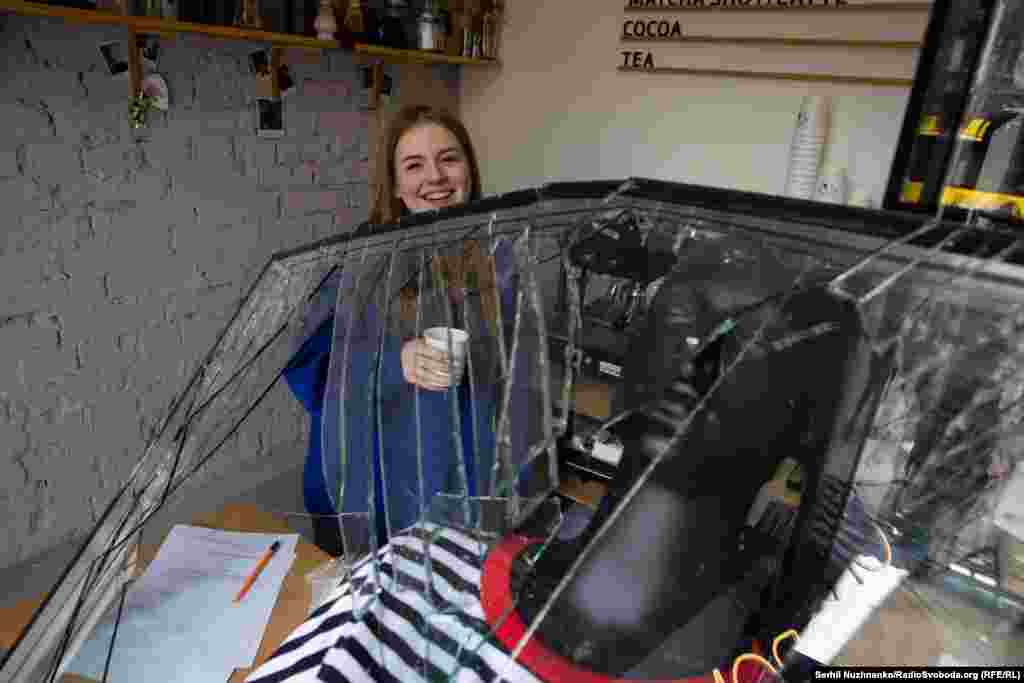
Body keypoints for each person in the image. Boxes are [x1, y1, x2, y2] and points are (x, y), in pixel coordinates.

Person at [283, 104, 522, 556]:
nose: (435, 176)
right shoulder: (363, 262)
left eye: (449, 158)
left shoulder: (500, 257)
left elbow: (520, 366)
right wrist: (395, 363)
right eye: (414, 164)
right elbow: (309, 367)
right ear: (395, 184)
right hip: (377, 479)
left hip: (468, 475)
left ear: (469, 168)